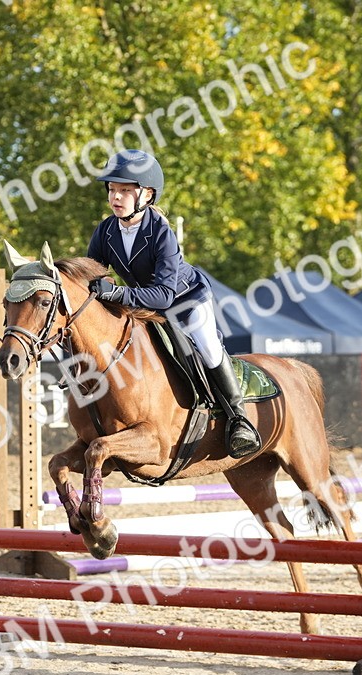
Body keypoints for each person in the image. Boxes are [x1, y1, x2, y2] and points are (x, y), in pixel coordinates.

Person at [86, 149, 261, 458]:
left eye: (124, 190)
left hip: (185, 301)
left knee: (208, 346)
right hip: (145, 305)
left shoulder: (161, 233)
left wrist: (117, 294)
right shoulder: (106, 231)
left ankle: (239, 419)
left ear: (146, 194)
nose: (115, 197)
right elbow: (92, 275)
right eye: (112, 189)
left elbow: (164, 295)